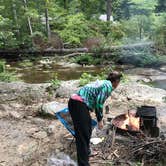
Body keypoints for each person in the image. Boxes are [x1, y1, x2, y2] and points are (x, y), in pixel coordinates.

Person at [68, 71, 122, 166]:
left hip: (78, 103)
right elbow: (99, 103)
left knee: (87, 129)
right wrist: (100, 120)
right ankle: (83, 163)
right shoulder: (108, 86)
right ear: (116, 81)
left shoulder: (104, 83)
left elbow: (94, 98)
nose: (118, 84)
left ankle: (87, 152)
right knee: (82, 135)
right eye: (119, 82)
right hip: (78, 104)